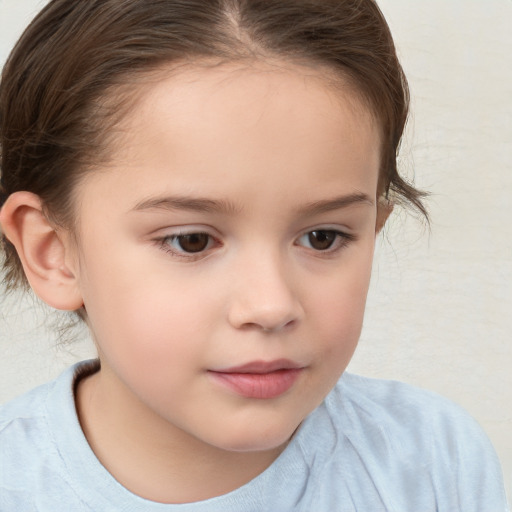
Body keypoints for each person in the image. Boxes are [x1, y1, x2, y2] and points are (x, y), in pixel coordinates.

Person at [0, 0, 508, 510]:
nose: (271, 305)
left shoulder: (434, 463)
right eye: (191, 241)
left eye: (323, 237)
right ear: (53, 252)